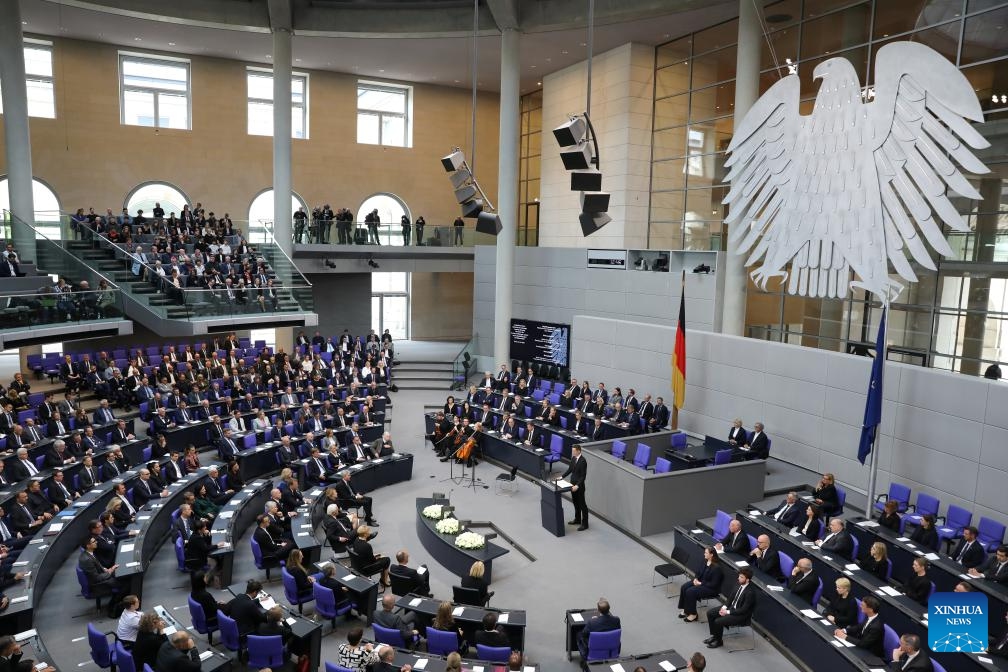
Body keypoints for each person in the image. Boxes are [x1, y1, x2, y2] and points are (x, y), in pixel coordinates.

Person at [704, 567, 756, 649]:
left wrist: (727, 612)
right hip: (731, 608)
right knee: (710, 613)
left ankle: (719, 641)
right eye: (739, 576)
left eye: (741, 577)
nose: (738, 578)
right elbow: (730, 598)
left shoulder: (750, 593)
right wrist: (724, 607)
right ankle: (715, 636)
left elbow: (743, 610)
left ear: (747, 580)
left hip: (740, 615)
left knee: (718, 621)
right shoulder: (738, 584)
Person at [678, 546, 723, 622]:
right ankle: (686, 610)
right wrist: (695, 578)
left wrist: (701, 583)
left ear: (711, 554)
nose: (704, 554)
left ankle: (693, 614)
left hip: (710, 588)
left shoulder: (717, 567)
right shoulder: (705, 561)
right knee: (684, 587)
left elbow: (714, 584)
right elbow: (698, 572)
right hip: (700, 581)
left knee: (690, 591)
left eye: (706, 553)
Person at [556, 444, 588, 530]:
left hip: (579, 486)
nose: (572, 452)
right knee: (575, 503)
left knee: (582, 505)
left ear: (579, 451)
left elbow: (583, 476)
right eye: (572, 451)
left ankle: (585, 524)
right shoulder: (573, 458)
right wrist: (562, 477)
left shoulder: (583, 461)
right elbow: (570, 469)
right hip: (572, 484)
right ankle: (577, 519)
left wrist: (577, 485)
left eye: (574, 451)